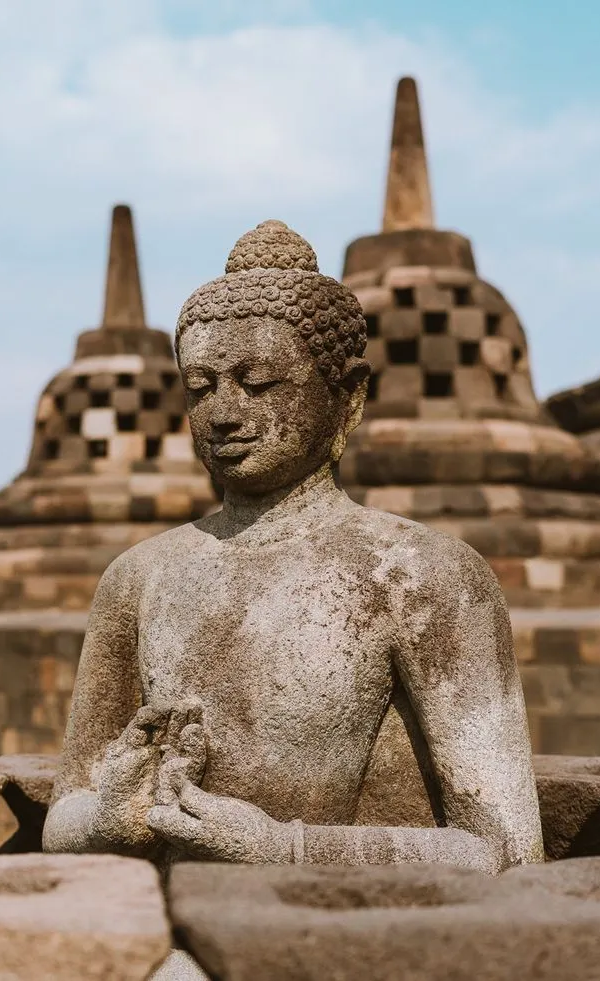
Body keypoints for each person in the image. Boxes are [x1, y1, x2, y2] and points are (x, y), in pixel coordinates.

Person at [43, 220, 543, 872]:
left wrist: (286, 847)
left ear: (348, 398)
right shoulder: (138, 578)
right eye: (200, 388)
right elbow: (63, 814)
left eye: (258, 384)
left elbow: (506, 850)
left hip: (331, 923)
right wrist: (108, 816)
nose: (223, 414)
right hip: (158, 922)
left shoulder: (419, 576)